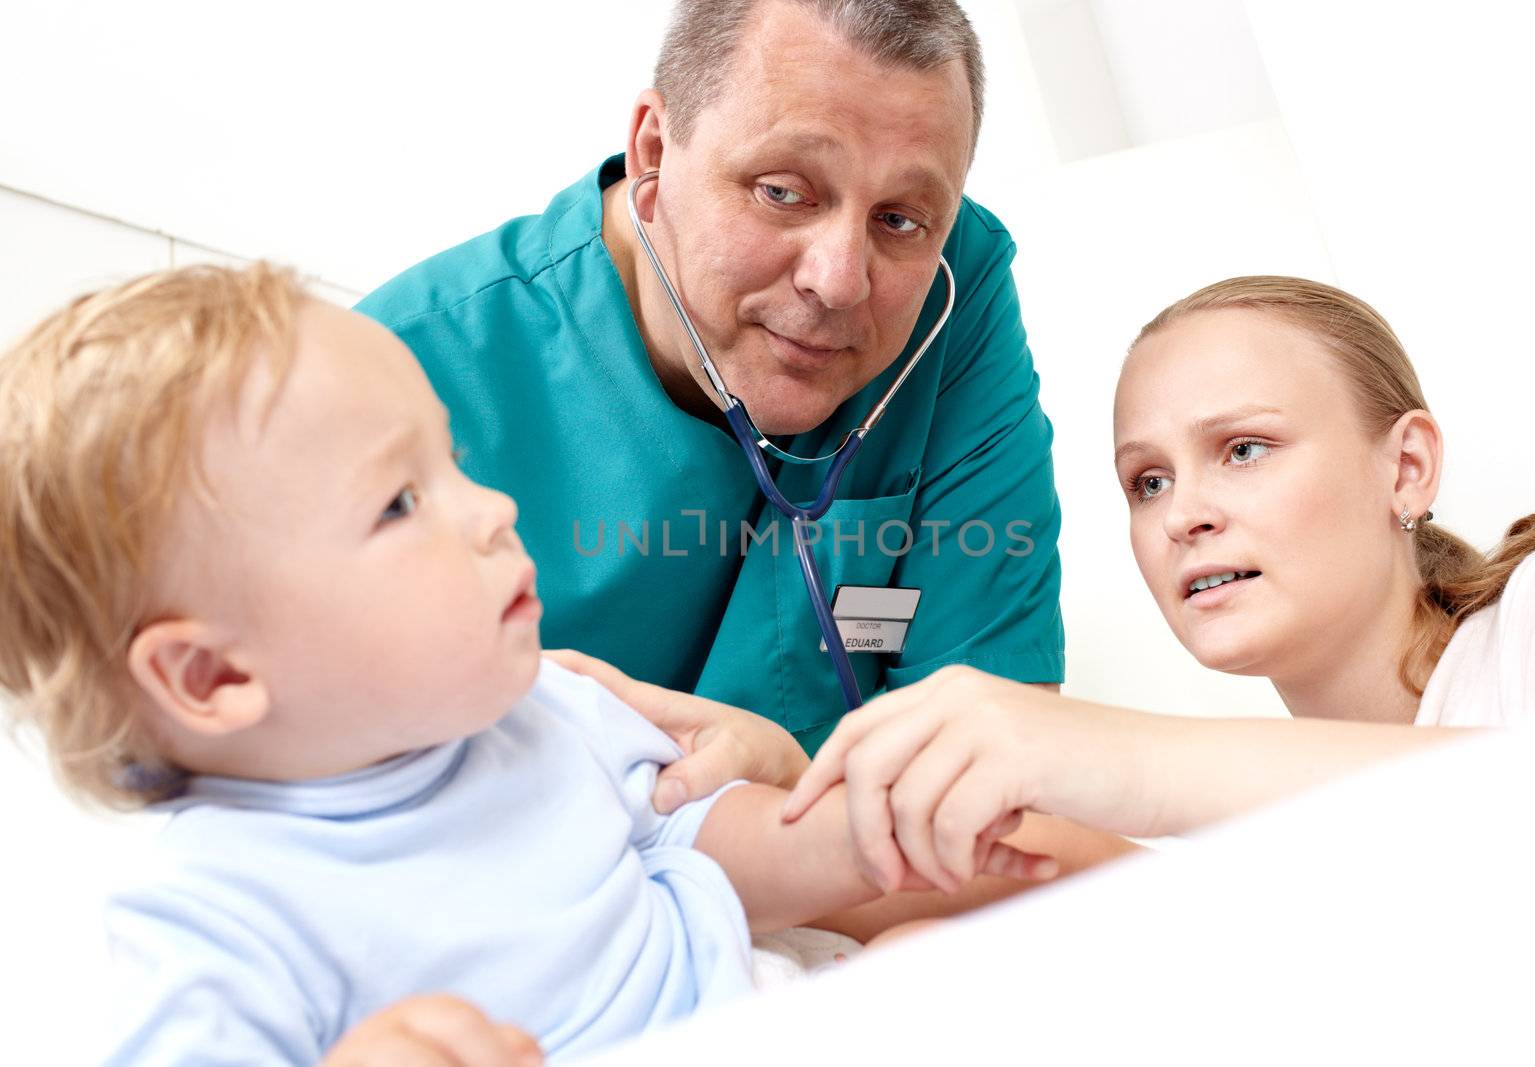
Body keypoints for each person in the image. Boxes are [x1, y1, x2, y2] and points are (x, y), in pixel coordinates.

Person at [0, 265, 1060, 1066]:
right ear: (213, 676)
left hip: (759, 999)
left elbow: (687, 835)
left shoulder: (550, 704)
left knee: (922, 956)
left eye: (451, 459)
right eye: (401, 502)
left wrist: (860, 836)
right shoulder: (220, 919)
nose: (491, 505)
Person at [354, 0, 1068, 791]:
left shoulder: (950, 291)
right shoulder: (395, 374)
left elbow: (1001, 769)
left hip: (862, 900)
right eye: (782, 191)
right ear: (654, 153)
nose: (838, 279)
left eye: (899, 219)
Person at [782, 276, 1535, 893]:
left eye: (1244, 448)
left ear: (1407, 467)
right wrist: (778, 776)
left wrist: (1108, 753)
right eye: (1147, 482)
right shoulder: (1243, 843)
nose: (1182, 515)